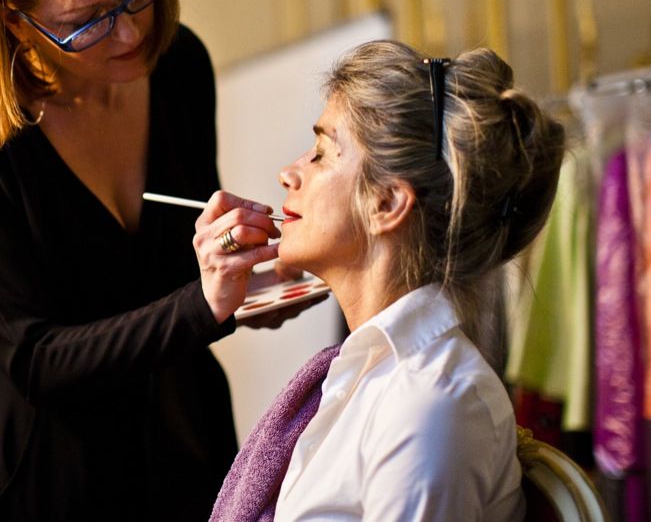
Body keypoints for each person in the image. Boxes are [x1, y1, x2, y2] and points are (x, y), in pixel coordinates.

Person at [0, 0, 298, 521]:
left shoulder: (179, 64)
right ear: (14, 20)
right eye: (87, 19)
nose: (129, 31)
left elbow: (181, 276)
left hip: (175, 435)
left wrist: (250, 281)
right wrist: (203, 304)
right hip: (32, 458)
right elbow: (33, 358)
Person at [203, 40, 566, 520]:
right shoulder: (361, 376)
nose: (288, 174)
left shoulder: (431, 404)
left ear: (387, 204)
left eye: (321, 153)